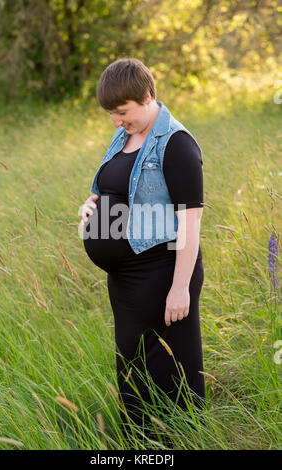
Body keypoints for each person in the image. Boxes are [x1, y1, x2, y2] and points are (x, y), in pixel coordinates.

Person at [78, 58, 205, 439]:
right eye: (111, 114)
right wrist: (89, 208)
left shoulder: (176, 143)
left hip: (161, 272)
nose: (116, 120)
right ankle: (137, 441)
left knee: (166, 366)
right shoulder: (125, 135)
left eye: (122, 112)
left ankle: (174, 442)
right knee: (131, 362)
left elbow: (190, 221)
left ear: (147, 96)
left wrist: (180, 286)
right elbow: (110, 186)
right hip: (126, 278)